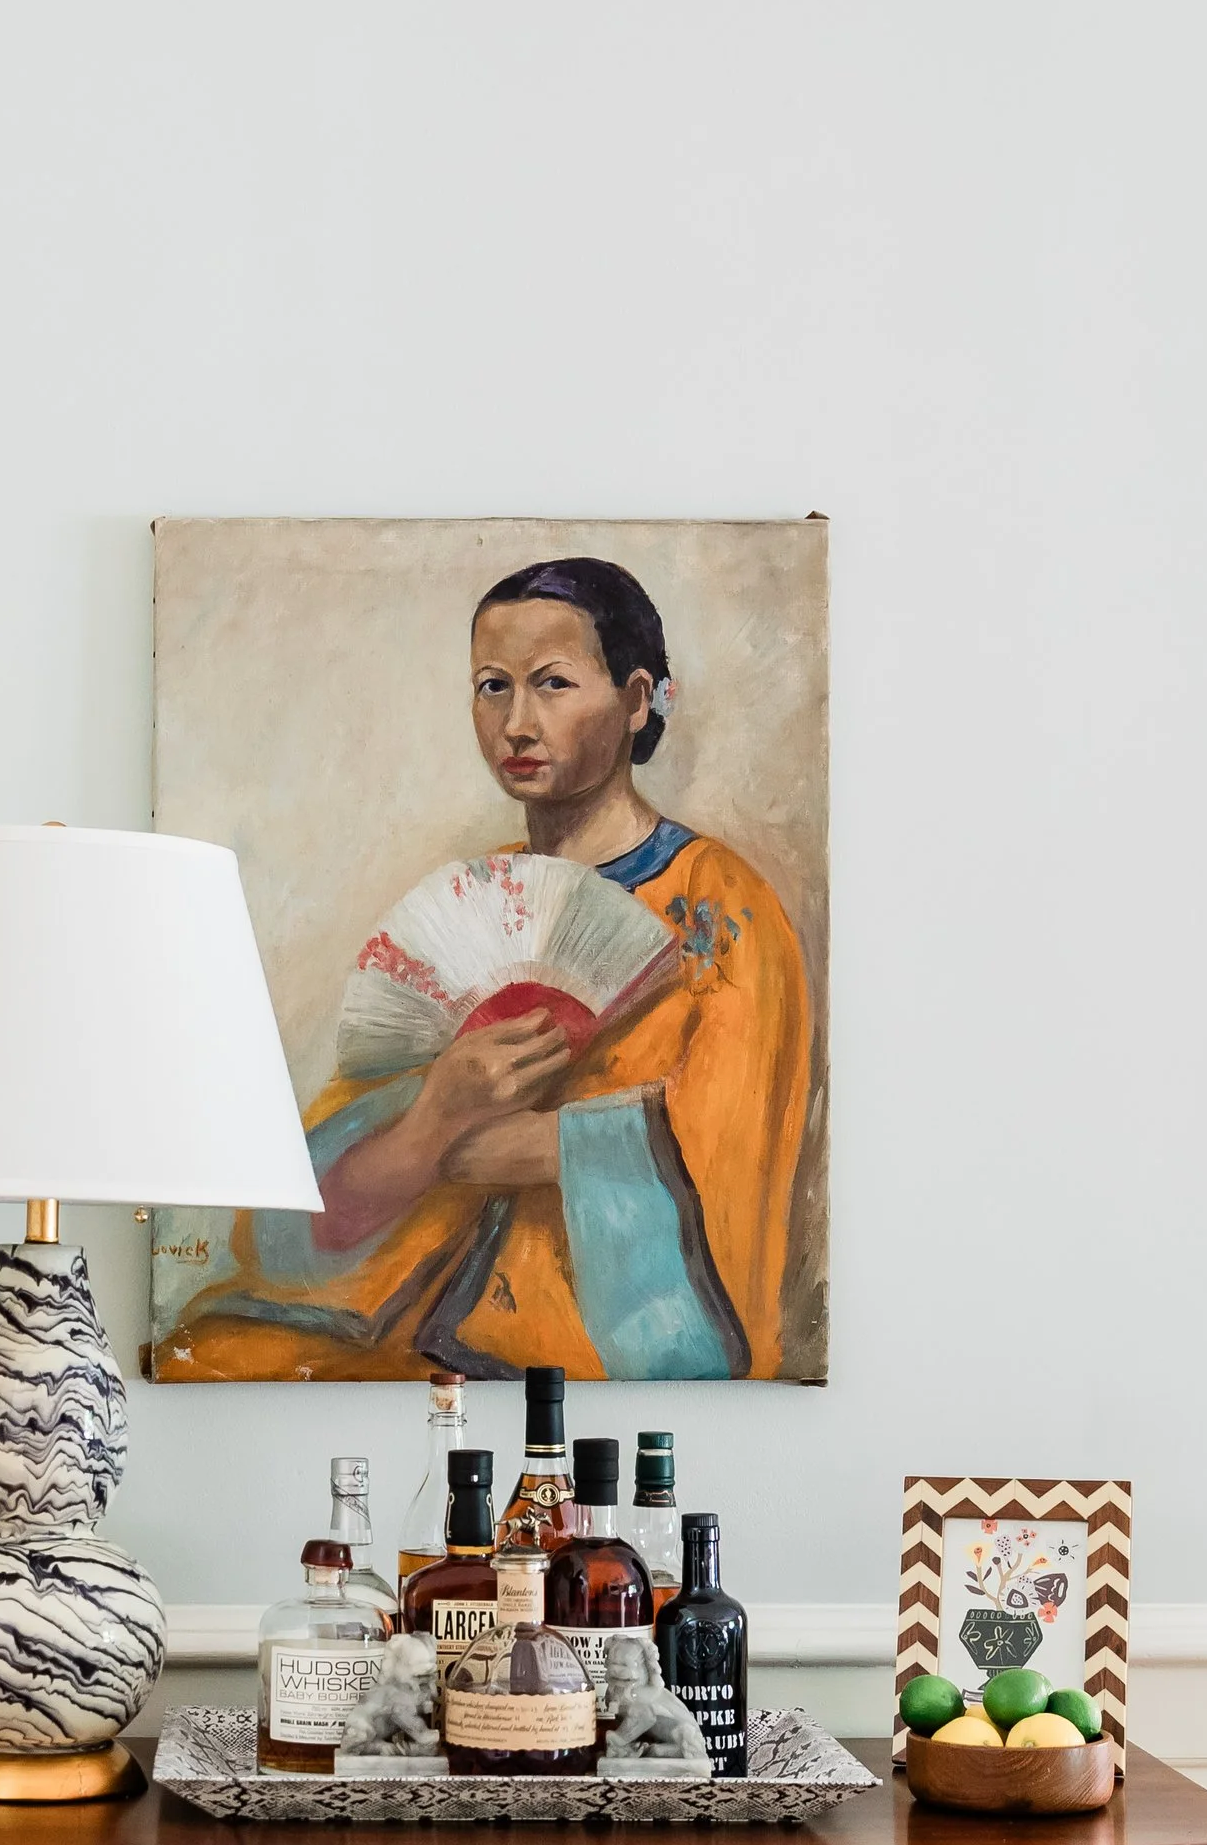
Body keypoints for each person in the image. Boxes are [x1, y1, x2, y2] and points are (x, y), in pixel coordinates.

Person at [155, 556, 812, 1381]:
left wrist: (500, 1150)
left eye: (554, 684)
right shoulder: (476, 903)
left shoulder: (720, 906)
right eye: (493, 686)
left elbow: (724, 1159)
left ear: (637, 698)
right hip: (396, 1321)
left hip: (573, 1343)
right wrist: (435, 1119)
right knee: (201, 1361)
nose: (517, 724)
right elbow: (304, 1218)